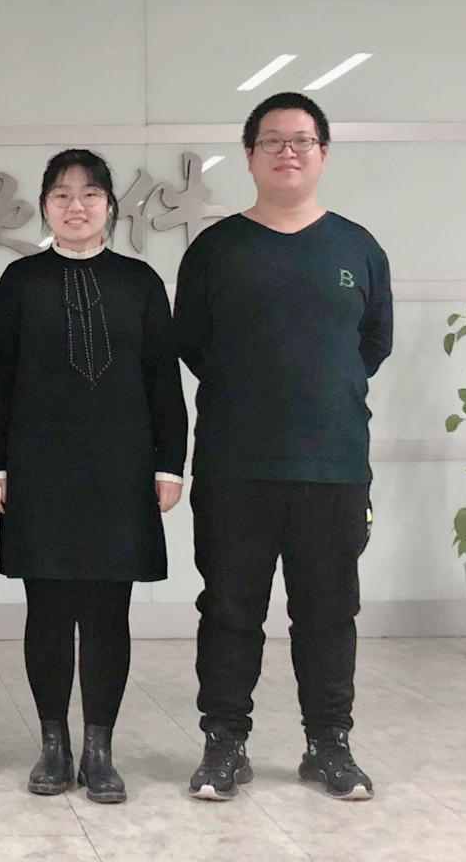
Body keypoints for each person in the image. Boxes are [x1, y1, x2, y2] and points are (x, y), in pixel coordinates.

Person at [174, 91, 393, 801]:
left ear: (322, 154)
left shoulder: (358, 248)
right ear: (249, 156)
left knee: (328, 612)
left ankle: (328, 744)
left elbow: (372, 344)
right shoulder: (215, 250)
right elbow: (193, 343)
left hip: (333, 466)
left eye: (302, 140)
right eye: (272, 140)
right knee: (229, 609)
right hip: (234, 464)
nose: (287, 152)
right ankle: (224, 743)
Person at [0, 148, 186, 803]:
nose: (76, 205)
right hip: (39, 467)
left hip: (121, 468)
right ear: (44, 206)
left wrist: (170, 462)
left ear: (109, 206)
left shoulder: (139, 282)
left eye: (91, 194)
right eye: (62, 194)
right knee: (46, 609)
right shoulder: (21, 281)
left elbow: (163, 378)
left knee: (106, 612)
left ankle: (99, 750)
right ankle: (53, 747)